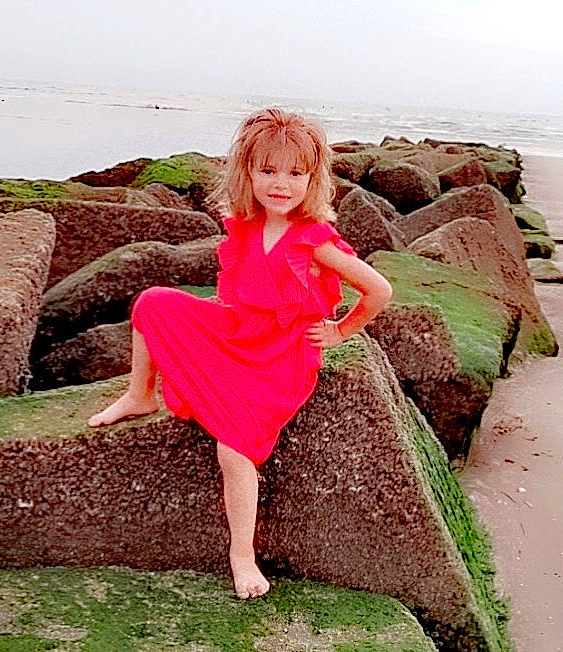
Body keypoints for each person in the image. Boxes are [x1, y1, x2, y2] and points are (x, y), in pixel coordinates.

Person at [87, 108, 393, 599]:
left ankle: (242, 557)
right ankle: (139, 394)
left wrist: (340, 331)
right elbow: (239, 291)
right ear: (247, 172)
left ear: (312, 180)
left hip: (283, 356)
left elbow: (379, 290)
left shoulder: (314, 240)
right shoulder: (245, 227)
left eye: (295, 173)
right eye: (268, 170)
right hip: (240, 333)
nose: (280, 184)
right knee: (153, 302)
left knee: (234, 448)